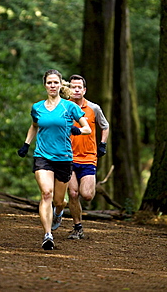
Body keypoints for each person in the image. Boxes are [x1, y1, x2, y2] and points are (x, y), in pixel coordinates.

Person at [17, 69, 91, 250]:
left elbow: (87, 129)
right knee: (46, 194)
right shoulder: (37, 108)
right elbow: (34, 126)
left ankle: (59, 211)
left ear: (60, 85)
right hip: (42, 156)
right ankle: (47, 235)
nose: (52, 86)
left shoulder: (69, 107)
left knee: (59, 200)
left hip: (64, 158)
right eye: (49, 83)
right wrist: (27, 144)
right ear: (45, 85)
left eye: (55, 83)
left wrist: (77, 130)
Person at [67, 74, 109, 239]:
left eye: (79, 87)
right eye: (73, 87)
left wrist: (103, 144)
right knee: (73, 193)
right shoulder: (63, 107)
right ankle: (78, 227)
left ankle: (77, 222)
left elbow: (105, 126)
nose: (76, 90)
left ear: (84, 90)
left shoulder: (94, 108)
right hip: (67, 157)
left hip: (88, 157)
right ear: (68, 89)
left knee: (87, 195)